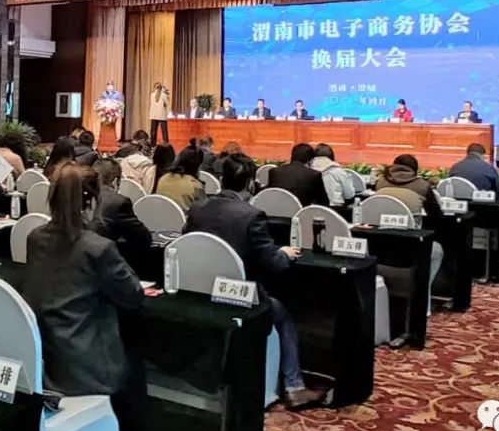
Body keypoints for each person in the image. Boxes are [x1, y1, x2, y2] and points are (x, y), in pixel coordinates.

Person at [21, 164, 149, 431]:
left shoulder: (35, 237)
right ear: (91, 202)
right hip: (85, 367)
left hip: (44, 358)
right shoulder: (99, 248)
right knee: (135, 364)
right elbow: (133, 295)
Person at [183, 153, 324, 410]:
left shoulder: (197, 208)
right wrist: (284, 253)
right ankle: (294, 386)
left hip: (199, 291)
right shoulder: (252, 215)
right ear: (250, 184)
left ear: (222, 180)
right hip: (241, 297)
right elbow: (274, 264)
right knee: (283, 313)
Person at [373, 154, 444, 313]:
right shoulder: (422, 186)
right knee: (437, 250)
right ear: (415, 170)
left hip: (378, 246)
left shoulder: (380, 182)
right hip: (410, 248)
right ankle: (422, 297)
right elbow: (437, 216)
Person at [89, 159, 152, 268]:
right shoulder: (118, 202)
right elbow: (143, 238)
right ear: (115, 182)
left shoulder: (79, 195)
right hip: (101, 264)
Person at [156, 143, 206, 211]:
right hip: (184, 217)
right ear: (197, 166)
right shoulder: (196, 186)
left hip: (160, 215)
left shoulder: (162, 179)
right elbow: (203, 211)